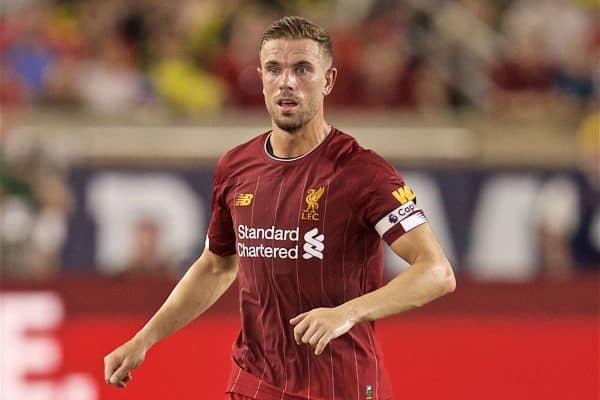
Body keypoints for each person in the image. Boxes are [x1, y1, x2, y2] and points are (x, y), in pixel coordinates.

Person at [104, 16, 456, 399]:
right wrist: (144, 339)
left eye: (302, 69)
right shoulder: (236, 167)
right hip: (255, 384)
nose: (287, 82)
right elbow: (216, 265)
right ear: (261, 78)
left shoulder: (363, 173)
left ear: (329, 80)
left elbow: (436, 272)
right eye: (274, 69)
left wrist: (346, 313)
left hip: (341, 387)